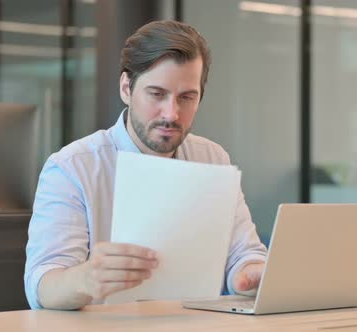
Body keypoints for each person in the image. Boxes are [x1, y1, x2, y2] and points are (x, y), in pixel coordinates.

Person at [24, 20, 267, 310]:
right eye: (156, 94)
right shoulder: (72, 167)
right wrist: (84, 279)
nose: (172, 113)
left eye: (186, 97)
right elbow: (42, 286)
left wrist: (251, 273)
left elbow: (245, 254)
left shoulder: (213, 158)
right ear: (126, 88)